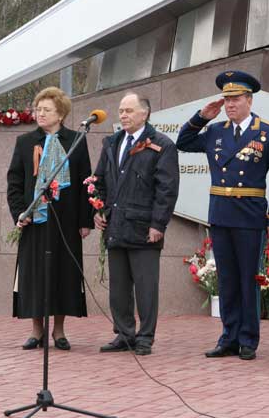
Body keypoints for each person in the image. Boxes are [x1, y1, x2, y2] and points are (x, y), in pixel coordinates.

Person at [177, 70, 269, 360]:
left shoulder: (268, 133)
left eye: (236, 99)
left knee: (247, 279)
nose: (230, 105)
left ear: (249, 100)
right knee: (226, 279)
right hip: (221, 214)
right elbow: (183, 142)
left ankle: (248, 339)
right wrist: (202, 116)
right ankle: (229, 336)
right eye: (226, 100)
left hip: (250, 216)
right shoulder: (216, 131)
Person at [7, 87, 92, 351]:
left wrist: (85, 220)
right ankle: (36, 330)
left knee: (62, 272)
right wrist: (20, 212)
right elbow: (15, 182)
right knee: (34, 273)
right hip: (34, 220)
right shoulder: (25, 142)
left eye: (46, 110)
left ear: (61, 114)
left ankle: (59, 330)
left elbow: (84, 182)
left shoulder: (76, 141)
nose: (40, 114)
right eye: (38, 109)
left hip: (65, 221)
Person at [94, 92, 179, 356]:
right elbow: (99, 181)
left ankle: (145, 337)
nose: (123, 115)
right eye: (121, 111)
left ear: (145, 113)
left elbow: (167, 189)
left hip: (144, 229)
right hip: (116, 226)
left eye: (129, 111)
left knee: (145, 288)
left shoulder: (161, 145)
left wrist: (158, 225)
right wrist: (98, 208)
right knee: (118, 288)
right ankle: (124, 333)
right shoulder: (112, 142)